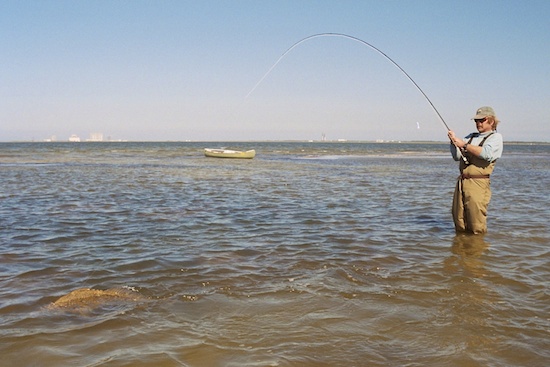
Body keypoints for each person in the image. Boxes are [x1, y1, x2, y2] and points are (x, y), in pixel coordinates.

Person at [447, 106, 503, 234]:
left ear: (491, 121)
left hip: (478, 184)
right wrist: (453, 142)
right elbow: (456, 157)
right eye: (476, 121)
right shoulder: (470, 137)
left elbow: (486, 154)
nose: (478, 123)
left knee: (476, 222)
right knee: (459, 219)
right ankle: (461, 250)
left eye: (481, 120)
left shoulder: (496, 138)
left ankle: (478, 250)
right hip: (461, 183)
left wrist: (464, 145)